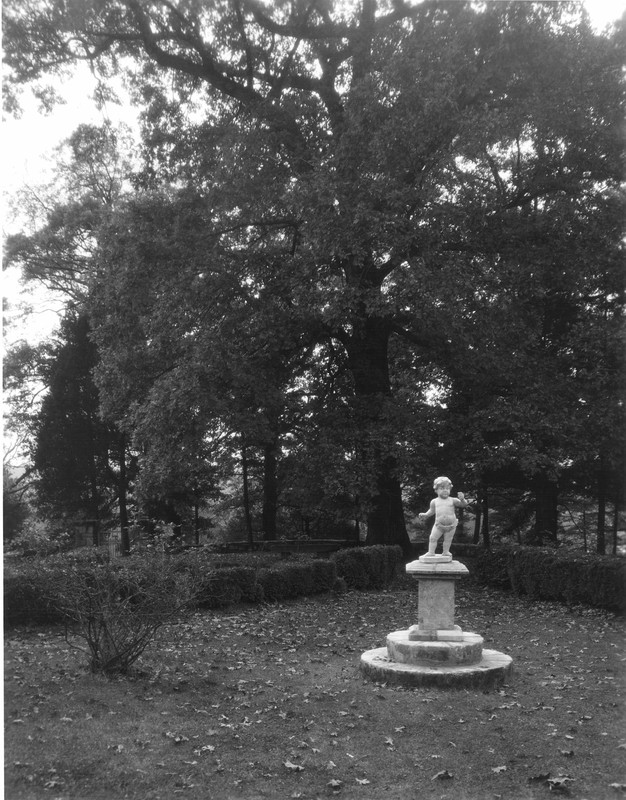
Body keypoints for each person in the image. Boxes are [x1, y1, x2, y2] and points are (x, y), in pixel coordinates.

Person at [418, 476, 469, 557]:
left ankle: (446, 552)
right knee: (433, 538)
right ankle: (431, 552)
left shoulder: (453, 500)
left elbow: (463, 505)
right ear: (436, 490)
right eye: (442, 488)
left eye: (447, 488)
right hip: (438, 525)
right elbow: (431, 511)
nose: (445, 490)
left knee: (448, 539)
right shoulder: (434, 501)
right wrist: (426, 515)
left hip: (451, 525)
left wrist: (462, 499)